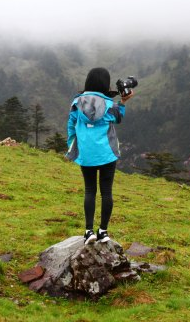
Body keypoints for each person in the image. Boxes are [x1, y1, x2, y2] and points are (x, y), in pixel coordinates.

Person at [66, 67, 134, 245]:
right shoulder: (111, 105)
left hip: (86, 155)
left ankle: (89, 231)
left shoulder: (76, 103)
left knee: (90, 191)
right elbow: (119, 118)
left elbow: (71, 125)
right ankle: (103, 231)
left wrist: (72, 144)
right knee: (106, 193)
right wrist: (124, 102)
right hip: (107, 154)